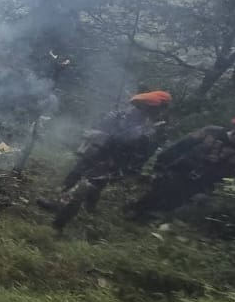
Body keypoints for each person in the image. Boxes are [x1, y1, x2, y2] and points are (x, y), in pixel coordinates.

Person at [37, 91, 171, 230]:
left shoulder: (158, 126)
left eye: (145, 106)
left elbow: (141, 146)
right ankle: (67, 202)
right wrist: (102, 131)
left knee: (90, 183)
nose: (140, 108)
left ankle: (62, 218)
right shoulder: (134, 113)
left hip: (120, 158)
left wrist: (132, 165)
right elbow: (111, 125)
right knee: (77, 173)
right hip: (103, 149)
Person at [129, 112, 235, 220]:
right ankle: (134, 211)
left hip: (204, 187)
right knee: (157, 194)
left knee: (170, 207)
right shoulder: (211, 131)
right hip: (178, 172)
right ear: (234, 125)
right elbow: (179, 146)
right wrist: (159, 166)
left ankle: (150, 219)